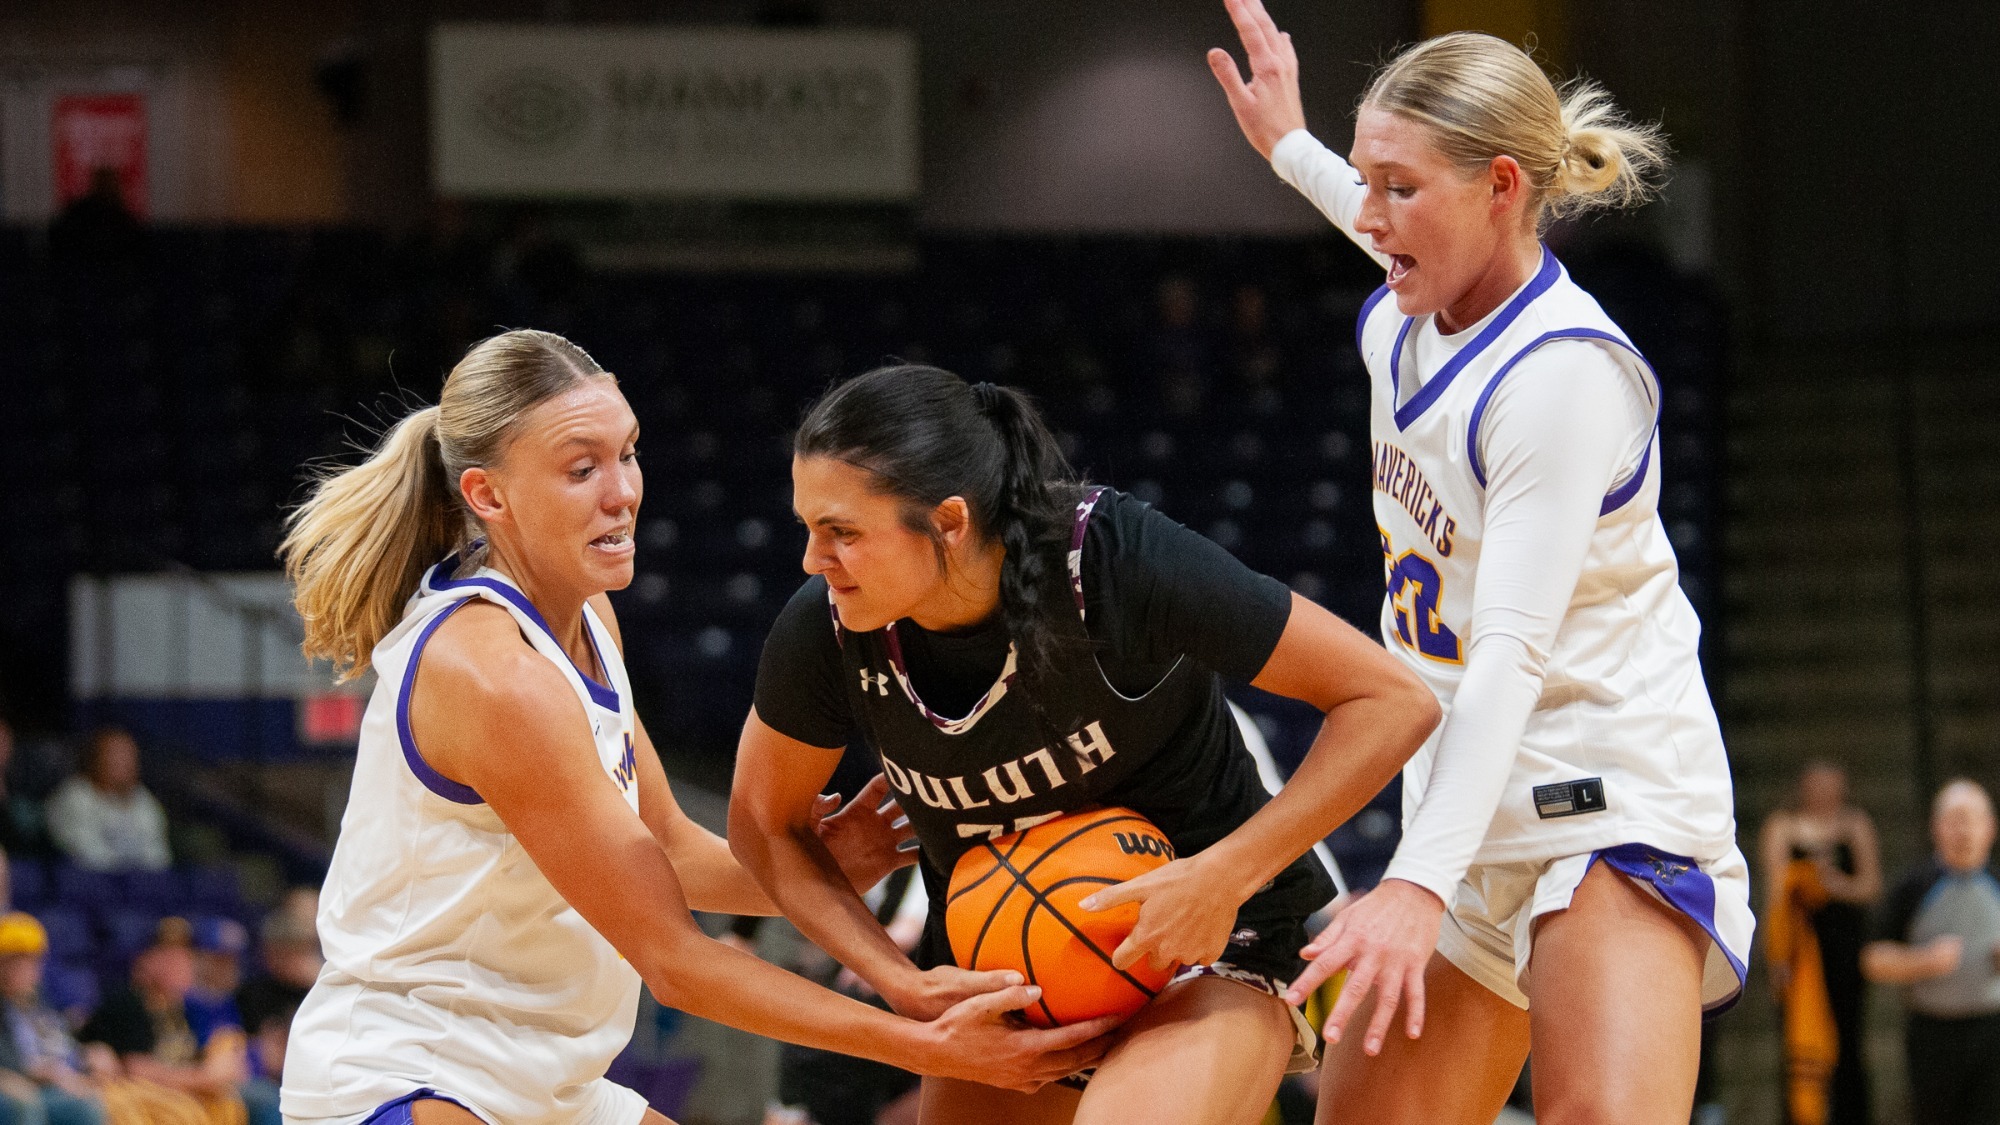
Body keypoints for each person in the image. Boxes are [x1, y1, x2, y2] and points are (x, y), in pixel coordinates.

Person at [276, 329, 1114, 1125]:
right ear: (488, 495)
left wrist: (825, 870)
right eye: (581, 469)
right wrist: (924, 1039)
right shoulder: (495, 675)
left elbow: (666, 851)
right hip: (410, 1074)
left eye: (628, 452)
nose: (624, 491)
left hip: (548, 1084)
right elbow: (673, 960)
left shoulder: (588, 615)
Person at [1204, 3, 1755, 1122]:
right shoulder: (1401, 315)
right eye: (1363, 180)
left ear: (1501, 187)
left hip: (1606, 800)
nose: (1369, 213)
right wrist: (1285, 148)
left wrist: (1410, 882)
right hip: (1467, 800)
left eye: (1396, 186)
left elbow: (1507, 651)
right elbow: (1369, 229)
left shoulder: (1560, 380)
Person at [729, 363, 1440, 1124]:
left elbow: (1391, 701)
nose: (812, 559)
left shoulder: (1111, 559)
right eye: (808, 527)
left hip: (1201, 946)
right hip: (1004, 975)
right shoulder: (826, 629)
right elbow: (765, 823)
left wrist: (1225, 874)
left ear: (949, 522)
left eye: (842, 532)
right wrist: (895, 976)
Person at [1862, 779, 2000, 1125]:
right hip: (1932, 1036)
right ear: (1936, 827)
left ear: (1990, 827)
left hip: (1993, 1031)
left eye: (1973, 819)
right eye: (1955, 819)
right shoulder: (1913, 886)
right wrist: (1923, 962)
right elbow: (1872, 960)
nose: (1964, 829)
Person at [1761, 761, 1881, 1125]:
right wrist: (1776, 957)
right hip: (1799, 950)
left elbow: (1870, 886)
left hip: (1844, 947)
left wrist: (1833, 884)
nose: (1824, 793)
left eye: (1832, 786)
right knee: (1797, 1043)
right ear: (1802, 787)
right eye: (1817, 785)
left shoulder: (1855, 824)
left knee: (1848, 1039)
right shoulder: (1781, 826)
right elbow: (1775, 894)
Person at [77, 918, 252, 1125]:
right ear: (146, 960)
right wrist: (203, 1078)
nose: (181, 963)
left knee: (230, 1104)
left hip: (171, 1089)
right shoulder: (129, 1001)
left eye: (186, 955)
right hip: (122, 1091)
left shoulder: (185, 1005)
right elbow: (137, 1070)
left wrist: (223, 1067)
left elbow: (208, 1056)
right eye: (169, 956)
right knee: (181, 1113)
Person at [0, 912, 106, 1125]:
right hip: (16, 1084)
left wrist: (85, 1056)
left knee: (87, 1106)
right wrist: (37, 1073)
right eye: (14, 961)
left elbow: (59, 1042)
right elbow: (10, 1060)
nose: (24, 969)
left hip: (48, 1083)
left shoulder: (39, 1000)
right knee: (26, 1106)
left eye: (31, 961)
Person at [46, 730, 170, 873]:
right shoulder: (75, 796)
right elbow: (84, 854)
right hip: (90, 887)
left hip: (137, 888)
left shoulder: (145, 801)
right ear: (95, 759)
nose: (125, 763)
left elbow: (158, 857)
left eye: (129, 757)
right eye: (116, 756)